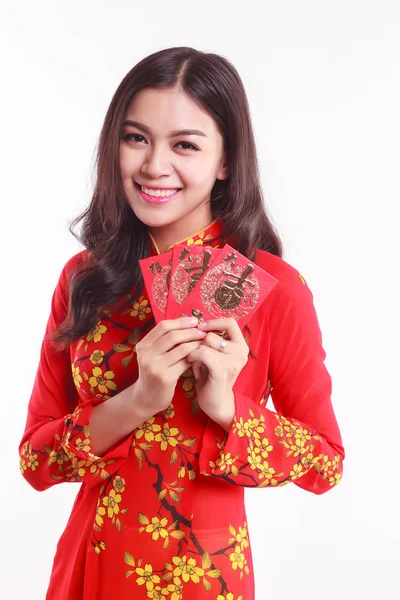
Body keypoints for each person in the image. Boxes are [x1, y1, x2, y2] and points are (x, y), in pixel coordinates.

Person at [19, 46, 345, 600]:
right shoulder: (84, 278)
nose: (153, 166)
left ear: (225, 161)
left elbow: (325, 464)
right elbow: (35, 458)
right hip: (90, 566)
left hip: (201, 574)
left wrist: (227, 409)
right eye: (136, 138)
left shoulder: (274, 289)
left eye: (185, 145)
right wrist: (138, 400)